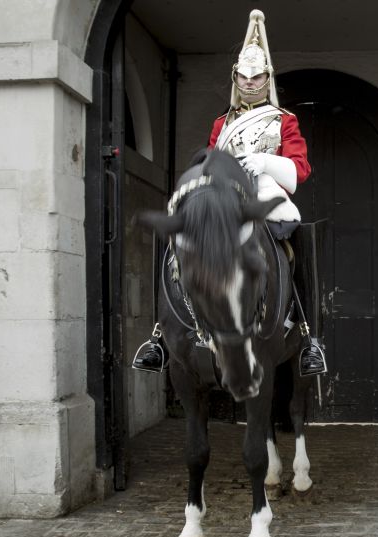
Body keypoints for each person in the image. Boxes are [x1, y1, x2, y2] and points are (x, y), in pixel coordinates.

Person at [134, 9, 325, 376]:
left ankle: (307, 335)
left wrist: (265, 163)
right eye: (243, 76)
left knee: (299, 237)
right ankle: (159, 333)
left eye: (257, 77)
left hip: (265, 193)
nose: (250, 83)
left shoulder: (284, 120)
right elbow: (210, 160)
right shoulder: (221, 123)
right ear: (235, 78)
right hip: (222, 196)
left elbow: (298, 169)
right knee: (177, 229)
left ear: (267, 78)